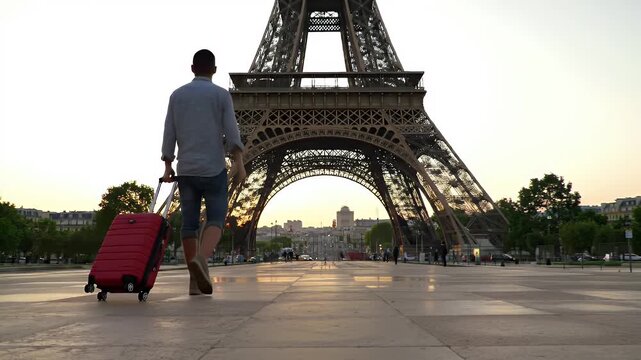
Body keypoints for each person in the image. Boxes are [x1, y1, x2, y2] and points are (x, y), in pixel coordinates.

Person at [161, 49, 246, 295]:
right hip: (213, 168)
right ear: (215, 70)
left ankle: (193, 281)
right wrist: (238, 161)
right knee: (216, 219)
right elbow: (232, 132)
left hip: (186, 169)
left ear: (192, 68)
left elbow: (170, 131)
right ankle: (201, 258)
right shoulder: (221, 95)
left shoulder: (177, 95)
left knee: (188, 224)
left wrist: (168, 164)